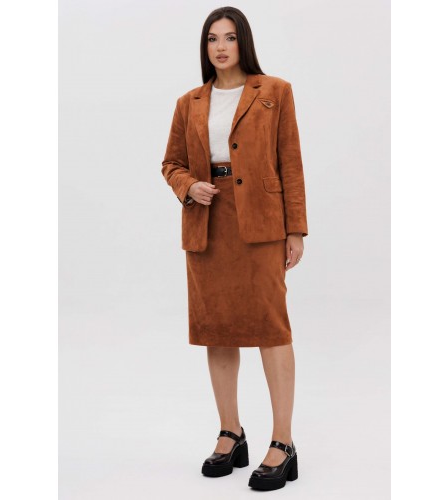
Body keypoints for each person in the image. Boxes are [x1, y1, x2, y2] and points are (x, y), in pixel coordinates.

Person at [161, 6, 308, 491]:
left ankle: (283, 442)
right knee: (217, 331)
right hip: (208, 224)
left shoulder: (275, 92)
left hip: (262, 224)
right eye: (212, 39)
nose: (220, 47)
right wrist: (188, 186)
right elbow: (171, 163)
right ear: (204, 47)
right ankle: (231, 433)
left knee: (270, 328)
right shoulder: (189, 102)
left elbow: (290, 162)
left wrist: (295, 229)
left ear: (243, 42)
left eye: (228, 37)